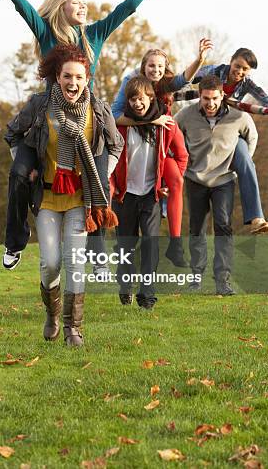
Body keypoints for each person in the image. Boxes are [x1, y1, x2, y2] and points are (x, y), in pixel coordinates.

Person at [0, 0, 168, 268]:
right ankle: (15, 241)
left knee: (97, 179)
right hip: (47, 117)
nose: (83, 7)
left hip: (86, 118)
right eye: (76, 2)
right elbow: (20, 4)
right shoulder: (45, 31)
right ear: (61, 6)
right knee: (18, 174)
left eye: (84, 2)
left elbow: (128, 6)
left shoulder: (93, 35)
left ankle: (96, 254)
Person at [5, 44, 124, 346]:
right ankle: (52, 313)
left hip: (79, 200)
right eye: (67, 76)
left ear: (87, 79)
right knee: (50, 262)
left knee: (74, 261)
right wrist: (23, 165)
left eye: (79, 77)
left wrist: (101, 175)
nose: (73, 83)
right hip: (46, 197)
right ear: (57, 77)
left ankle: (74, 329)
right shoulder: (40, 105)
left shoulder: (97, 109)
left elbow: (116, 145)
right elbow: (13, 133)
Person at [111, 39, 212, 266]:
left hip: (160, 147)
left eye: (159, 66)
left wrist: (200, 60)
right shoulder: (131, 82)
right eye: (151, 66)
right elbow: (114, 115)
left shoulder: (166, 83)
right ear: (143, 67)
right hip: (135, 142)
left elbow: (184, 78)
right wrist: (153, 120)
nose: (155, 70)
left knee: (176, 178)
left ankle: (175, 243)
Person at [178, 47, 268, 234]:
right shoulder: (213, 72)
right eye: (237, 66)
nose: (239, 71)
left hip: (229, 131)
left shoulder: (247, 84)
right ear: (231, 61)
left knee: (245, 157)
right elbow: (187, 78)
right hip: (203, 124)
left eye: (245, 69)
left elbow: (264, 98)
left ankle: (256, 217)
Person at [175, 74, 259, 295]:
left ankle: (223, 280)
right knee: (197, 228)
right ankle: (196, 277)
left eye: (214, 98)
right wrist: (183, 163)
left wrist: (238, 164)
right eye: (205, 98)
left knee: (223, 226)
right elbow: (173, 136)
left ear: (222, 96)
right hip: (195, 179)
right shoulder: (185, 115)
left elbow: (252, 138)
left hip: (224, 180)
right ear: (199, 97)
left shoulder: (238, 117)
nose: (210, 103)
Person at [112, 75, 188, 308]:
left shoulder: (167, 125)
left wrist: (170, 181)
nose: (137, 103)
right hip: (124, 195)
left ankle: (148, 294)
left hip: (150, 195)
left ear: (151, 98)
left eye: (142, 98)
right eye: (133, 99)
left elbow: (182, 156)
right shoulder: (120, 126)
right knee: (125, 245)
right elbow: (111, 159)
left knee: (151, 244)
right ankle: (125, 283)